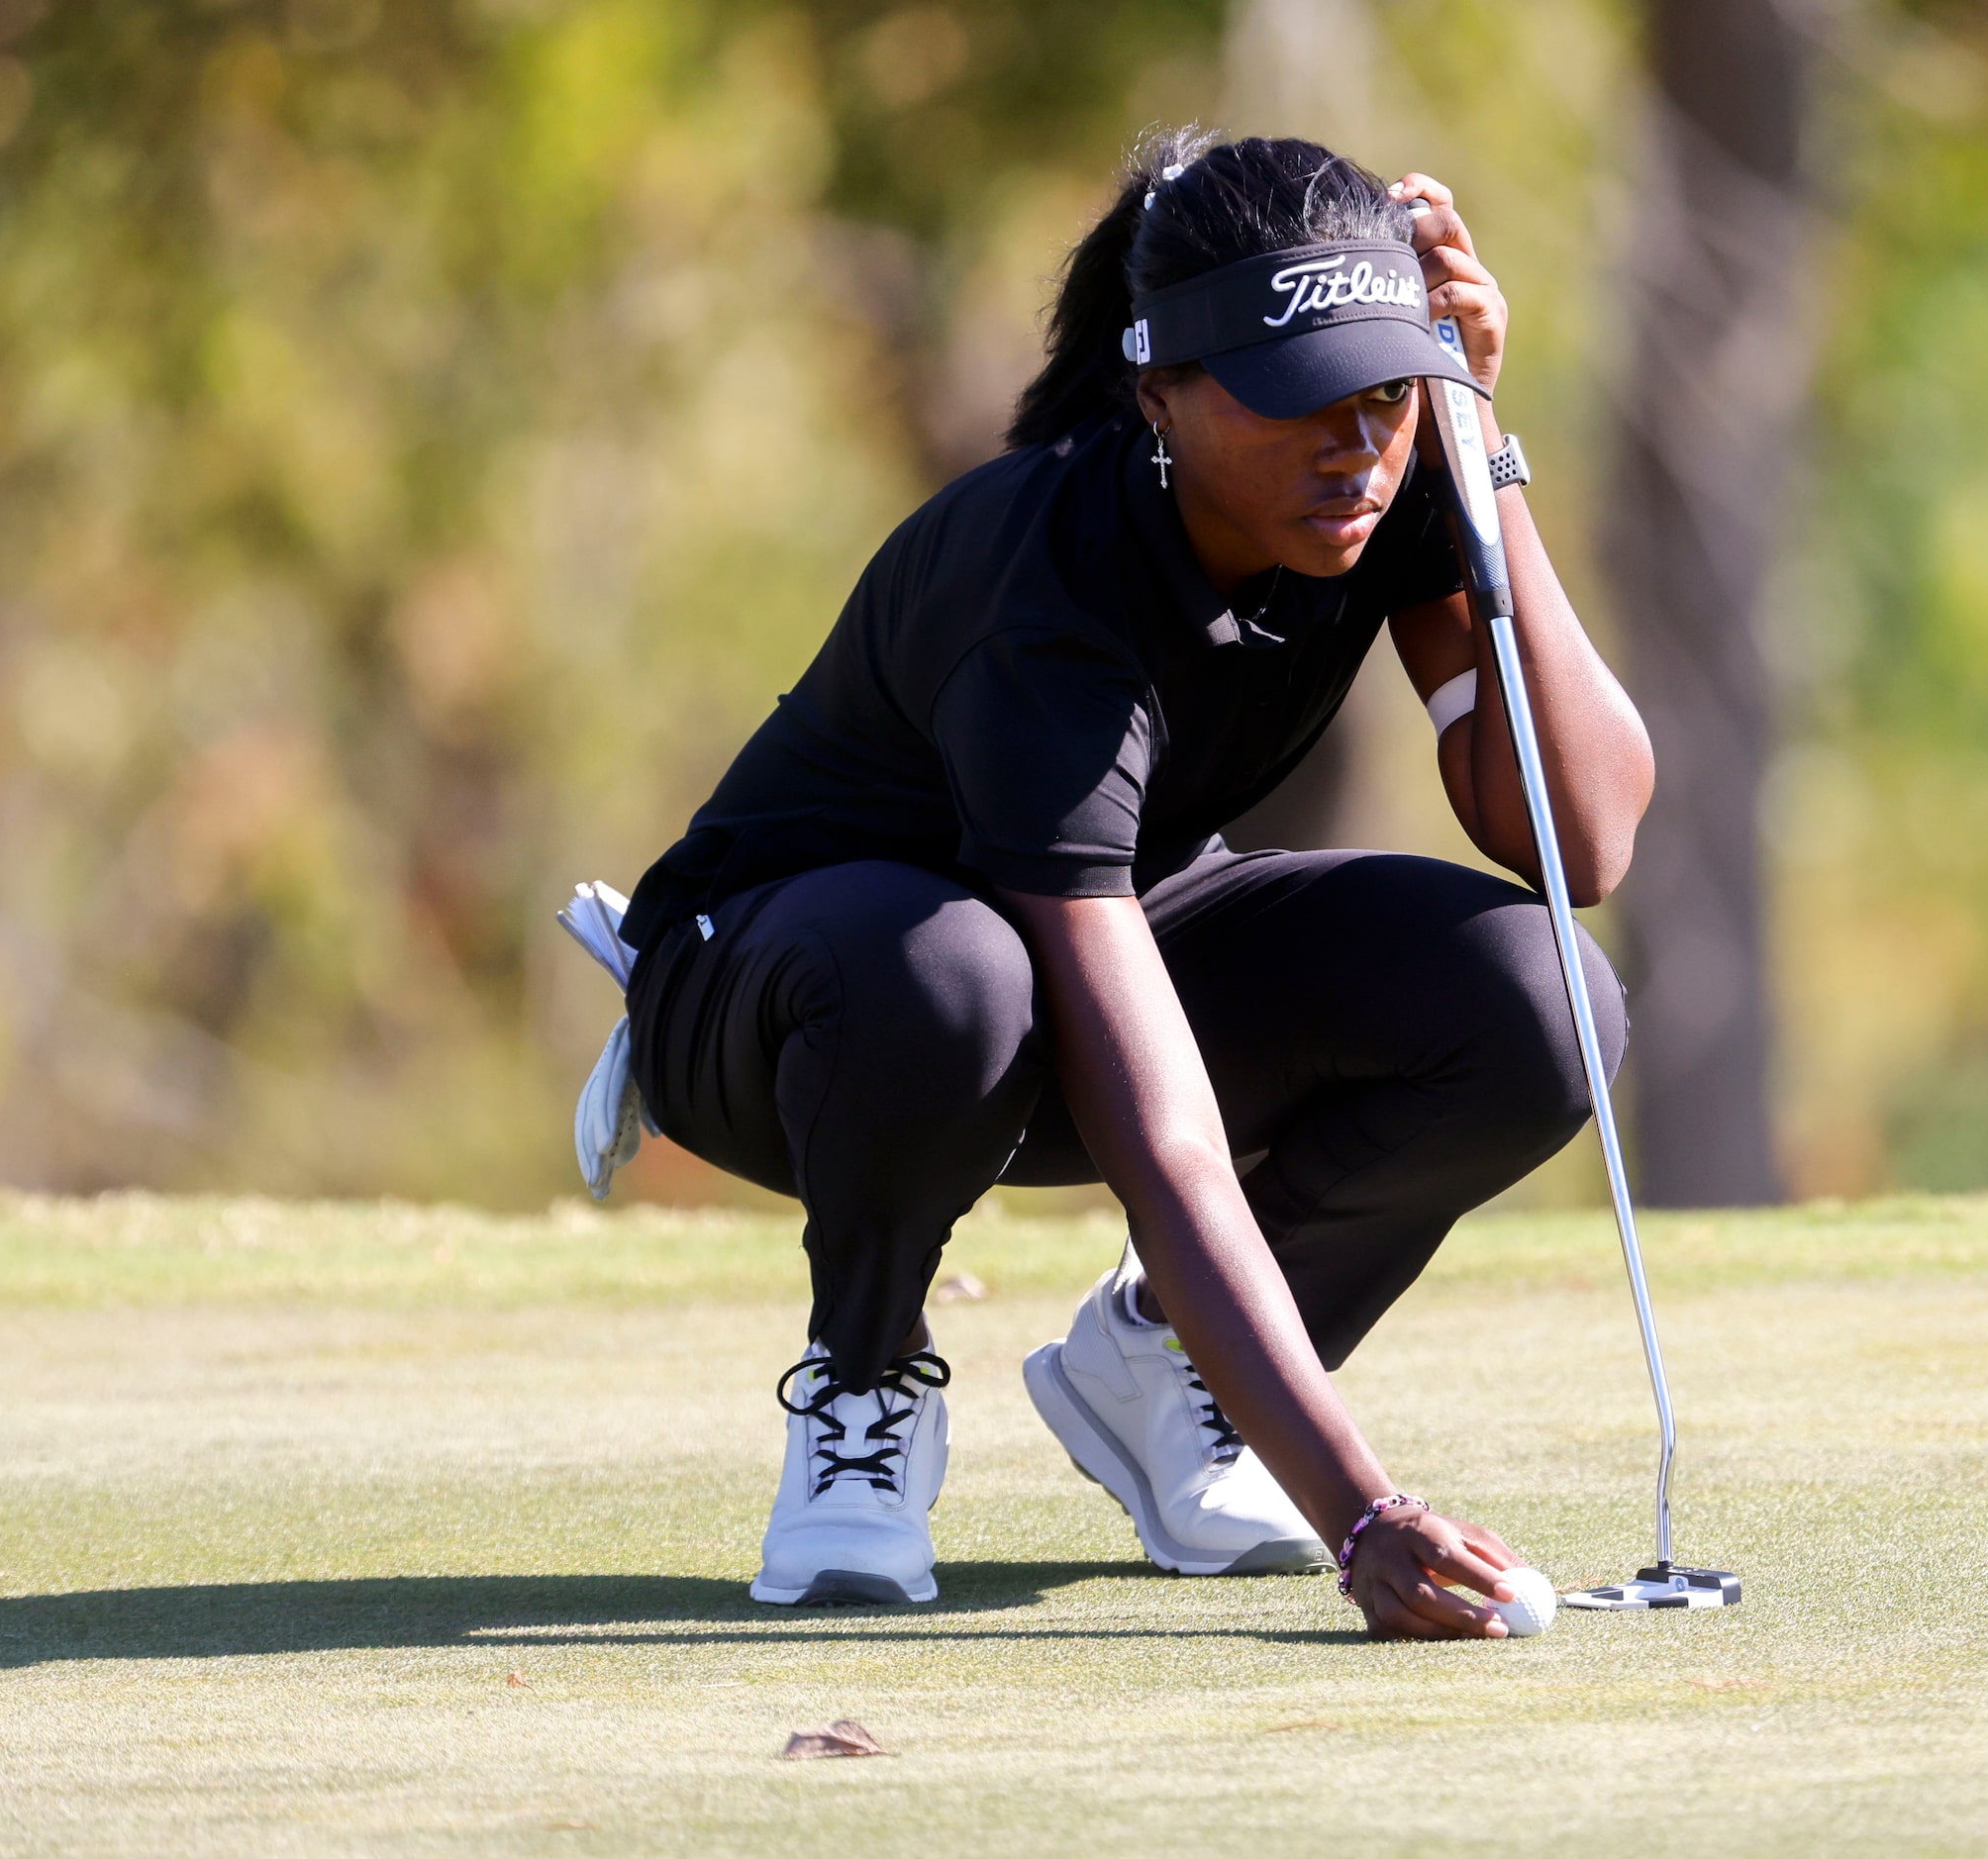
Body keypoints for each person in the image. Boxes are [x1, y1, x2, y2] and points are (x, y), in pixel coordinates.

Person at [613, 130, 1652, 1640]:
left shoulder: (1397, 462)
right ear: (1156, 391)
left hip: (1079, 943)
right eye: (1300, 400)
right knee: (950, 974)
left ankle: (1164, 1363)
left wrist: (1480, 442)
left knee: (1543, 1000)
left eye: (1383, 393)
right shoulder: (1046, 575)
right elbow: (1161, 1137)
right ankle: (864, 1374)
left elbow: (1578, 831)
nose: (1352, 445)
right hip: (784, 990)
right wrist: (1357, 1506)